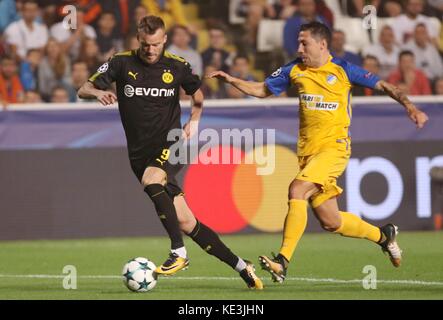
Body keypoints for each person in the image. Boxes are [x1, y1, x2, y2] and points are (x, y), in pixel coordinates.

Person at [208, 21, 429, 283]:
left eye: (305, 43)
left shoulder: (343, 69)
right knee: (331, 221)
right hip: (309, 154)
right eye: (299, 43)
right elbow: (262, 90)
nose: (299, 48)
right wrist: (233, 81)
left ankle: (283, 261)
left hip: (334, 149)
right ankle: (384, 235)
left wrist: (410, 107)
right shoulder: (294, 69)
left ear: (322, 44)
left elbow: (385, 86)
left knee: (297, 189)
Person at [78, 15, 263, 290]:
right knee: (187, 221)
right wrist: (96, 94)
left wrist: (195, 119)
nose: (150, 50)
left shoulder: (177, 66)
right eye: (145, 44)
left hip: (172, 144)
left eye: (155, 44)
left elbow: (197, 93)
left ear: (164, 40)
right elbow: (83, 88)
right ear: (138, 40)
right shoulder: (120, 62)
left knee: (152, 181)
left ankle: (179, 252)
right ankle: (241, 266)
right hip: (139, 154)